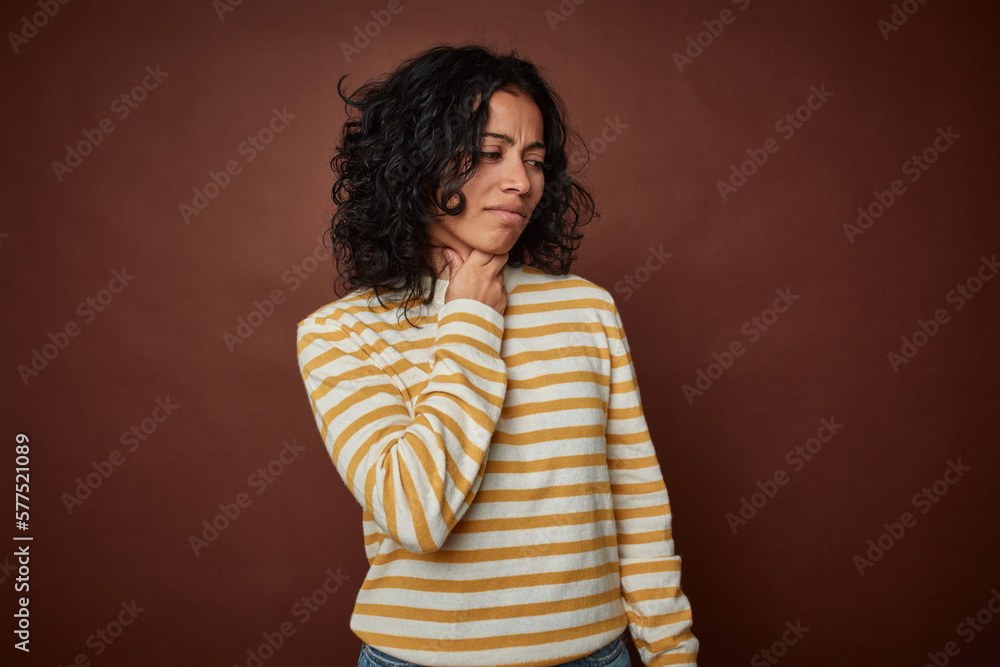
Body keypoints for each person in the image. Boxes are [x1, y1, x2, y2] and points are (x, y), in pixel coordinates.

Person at [296, 43, 698, 667]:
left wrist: (671, 653)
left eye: (534, 160)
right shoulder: (338, 332)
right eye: (490, 153)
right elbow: (417, 516)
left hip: (591, 656)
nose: (521, 181)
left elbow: (637, 502)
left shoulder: (585, 309)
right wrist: (472, 321)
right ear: (416, 160)